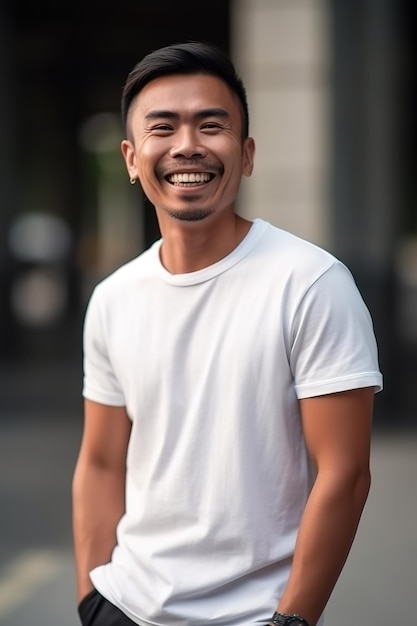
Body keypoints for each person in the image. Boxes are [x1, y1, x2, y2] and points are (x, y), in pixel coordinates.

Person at [72, 41, 383, 626]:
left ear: (246, 155)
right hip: (127, 605)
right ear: (132, 158)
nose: (187, 144)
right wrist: (92, 598)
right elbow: (101, 461)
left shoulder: (311, 283)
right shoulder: (114, 297)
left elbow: (344, 473)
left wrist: (292, 620)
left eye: (210, 125)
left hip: (257, 616)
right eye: (162, 127)